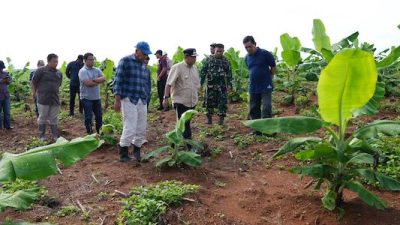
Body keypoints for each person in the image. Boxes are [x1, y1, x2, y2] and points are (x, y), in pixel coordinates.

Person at [113, 41, 152, 162]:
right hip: (129, 98)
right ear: (137, 51)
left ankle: (137, 151)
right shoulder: (125, 61)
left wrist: (146, 97)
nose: (145, 56)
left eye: (146, 54)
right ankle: (123, 152)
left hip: (142, 99)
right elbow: (118, 81)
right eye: (144, 53)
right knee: (130, 126)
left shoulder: (144, 67)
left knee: (141, 127)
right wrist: (117, 100)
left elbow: (147, 85)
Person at [163, 48, 201, 140]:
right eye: (193, 57)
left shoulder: (195, 69)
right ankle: (187, 143)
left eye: (195, 57)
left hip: (192, 101)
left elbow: (197, 84)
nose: (195, 59)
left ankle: (176, 142)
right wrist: (165, 98)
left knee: (186, 123)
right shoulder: (177, 67)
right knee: (183, 123)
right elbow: (168, 84)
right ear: (186, 57)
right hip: (180, 101)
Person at [243, 36, 276, 134]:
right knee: (254, 108)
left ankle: (267, 129)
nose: (248, 49)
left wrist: (269, 78)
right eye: (246, 47)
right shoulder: (247, 58)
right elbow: (251, 70)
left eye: (250, 46)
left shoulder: (265, 54)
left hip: (266, 85)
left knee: (266, 107)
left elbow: (273, 67)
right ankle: (257, 129)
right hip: (253, 87)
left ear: (255, 44)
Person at [31, 54, 63, 141]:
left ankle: (55, 135)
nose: (56, 63)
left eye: (57, 61)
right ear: (48, 61)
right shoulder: (41, 71)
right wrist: (34, 94)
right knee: (42, 117)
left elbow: (59, 84)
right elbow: (33, 82)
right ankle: (42, 136)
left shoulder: (59, 73)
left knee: (54, 118)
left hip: (55, 99)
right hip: (43, 99)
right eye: (54, 61)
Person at [200, 43, 232, 125]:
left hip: (221, 86)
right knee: (209, 102)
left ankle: (221, 120)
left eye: (221, 51)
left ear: (223, 51)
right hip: (210, 85)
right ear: (214, 50)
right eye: (217, 51)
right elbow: (203, 72)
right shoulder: (208, 60)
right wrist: (200, 83)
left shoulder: (225, 61)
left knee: (222, 102)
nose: (219, 53)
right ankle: (209, 119)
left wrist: (229, 85)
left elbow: (229, 74)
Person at [78, 53, 106, 134]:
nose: (92, 61)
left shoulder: (97, 69)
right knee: (88, 117)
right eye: (90, 59)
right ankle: (89, 133)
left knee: (99, 116)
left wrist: (93, 80)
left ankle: (99, 132)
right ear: (85, 60)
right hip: (86, 98)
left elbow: (104, 78)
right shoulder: (83, 71)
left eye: (93, 59)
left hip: (96, 97)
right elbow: (88, 84)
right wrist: (98, 80)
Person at [0, 60, 12, 130]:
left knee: (7, 112)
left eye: (2, 68)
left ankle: (7, 126)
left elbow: (9, 82)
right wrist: (2, 80)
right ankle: (0, 127)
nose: (1, 69)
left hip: (6, 95)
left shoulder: (6, 73)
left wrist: (8, 81)